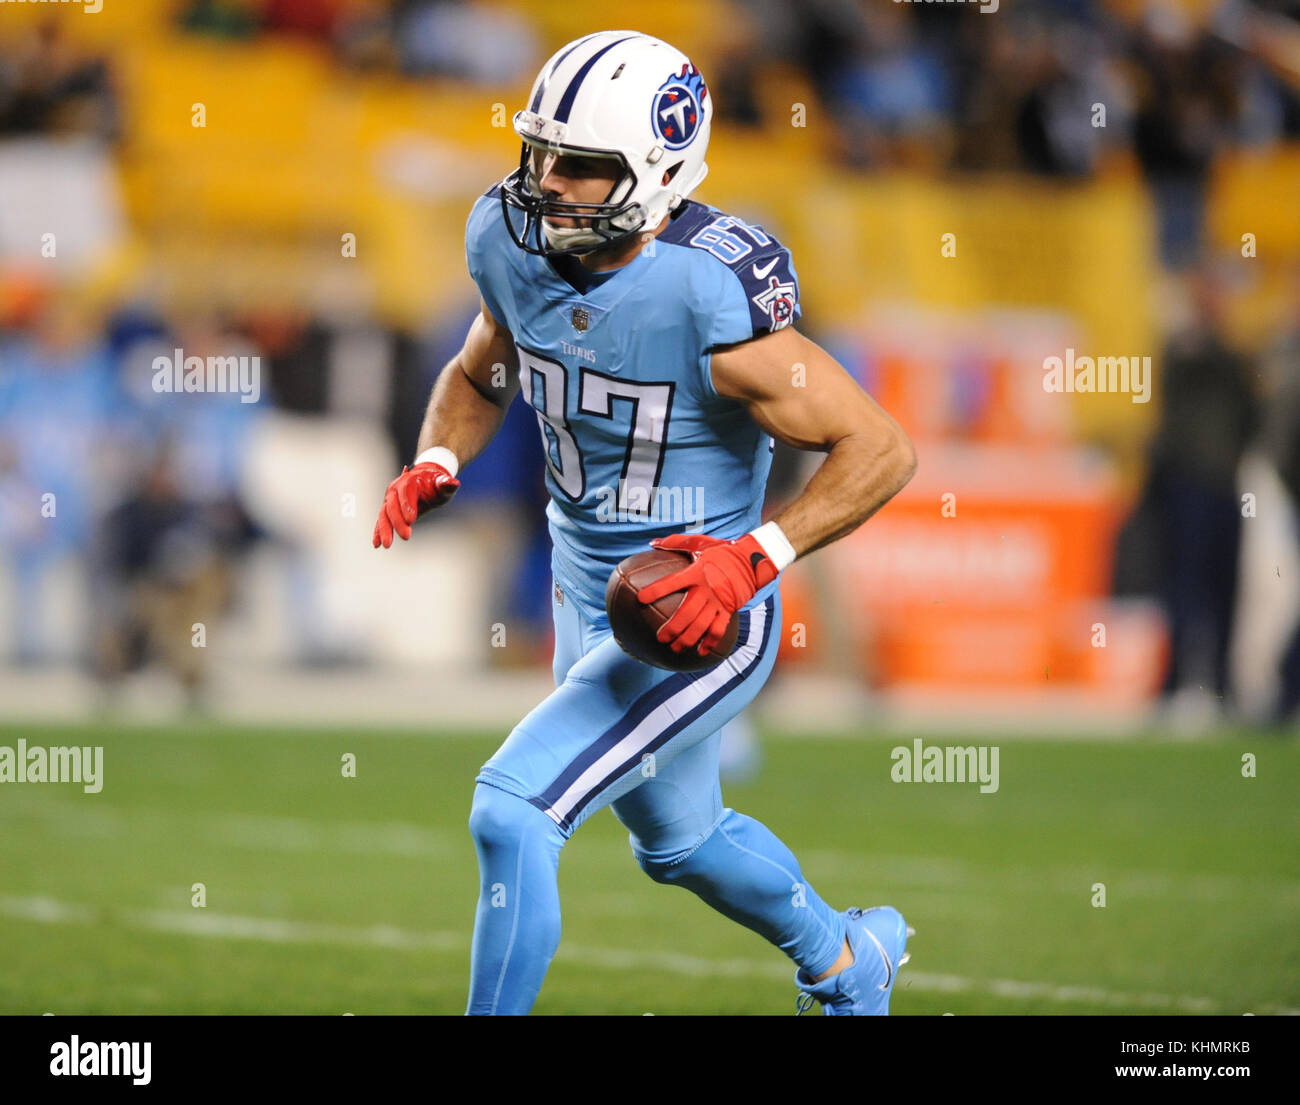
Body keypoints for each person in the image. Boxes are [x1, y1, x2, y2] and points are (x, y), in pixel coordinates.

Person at [372, 31, 917, 1015]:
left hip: (697, 613)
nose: (549, 183)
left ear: (661, 171)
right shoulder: (505, 238)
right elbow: (478, 368)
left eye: (582, 166)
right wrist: (438, 455)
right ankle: (846, 964)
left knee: (512, 810)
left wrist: (758, 556)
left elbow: (878, 447)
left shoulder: (707, 292)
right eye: (542, 153)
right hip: (587, 595)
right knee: (682, 843)